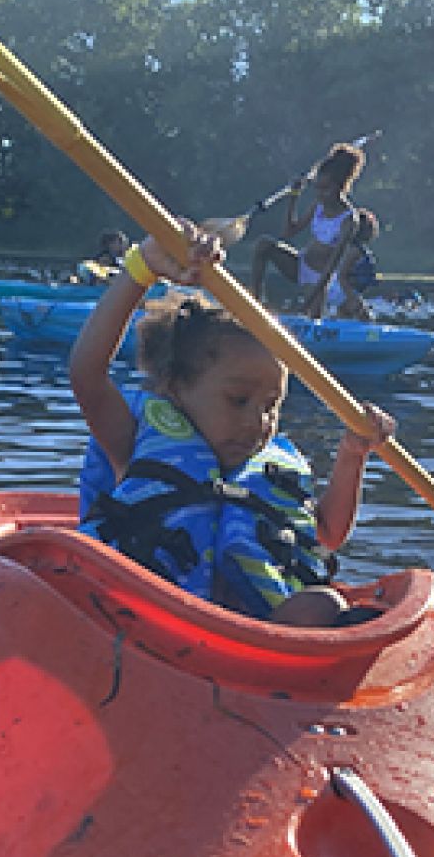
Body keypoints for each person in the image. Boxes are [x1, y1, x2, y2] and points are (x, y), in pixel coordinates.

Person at [71, 220, 396, 627]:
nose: (258, 421)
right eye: (237, 400)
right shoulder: (133, 440)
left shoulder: (271, 465)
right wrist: (141, 269)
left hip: (250, 642)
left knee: (321, 605)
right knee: (325, 610)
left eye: (271, 405)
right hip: (147, 627)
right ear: (175, 386)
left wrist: (352, 455)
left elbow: (328, 533)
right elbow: (87, 373)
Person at [250, 143, 366, 311]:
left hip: (320, 280)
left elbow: (330, 269)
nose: (320, 194)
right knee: (263, 244)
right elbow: (289, 232)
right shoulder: (318, 204)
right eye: (317, 188)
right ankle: (255, 302)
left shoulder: (349, 220)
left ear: (340, 187)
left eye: (325, 189)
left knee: (312, 314)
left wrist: (308, 301)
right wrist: (294, 196)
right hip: (301, 265)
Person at [309, 208, 381, 321]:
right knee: (366, 317)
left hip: (342, 289)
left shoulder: (354, 249)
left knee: (344, 315)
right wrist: (351, 297)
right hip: (341, 289)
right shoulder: (354, 251)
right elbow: (341, 276)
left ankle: (335, 324)